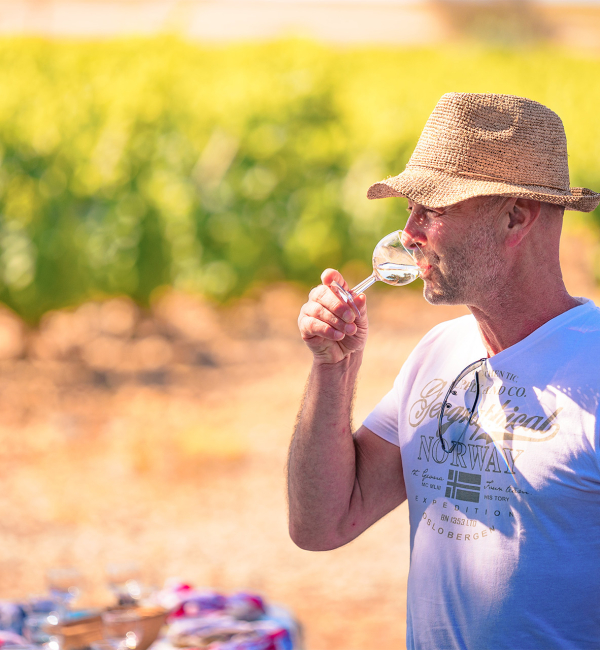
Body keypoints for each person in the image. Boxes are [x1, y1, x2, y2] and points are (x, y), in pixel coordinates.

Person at [287, 93, 600, 650]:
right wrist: (333, 370)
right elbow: (322, 523)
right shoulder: (439, 352)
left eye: (430, 210)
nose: (409, 233)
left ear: (514, 218)